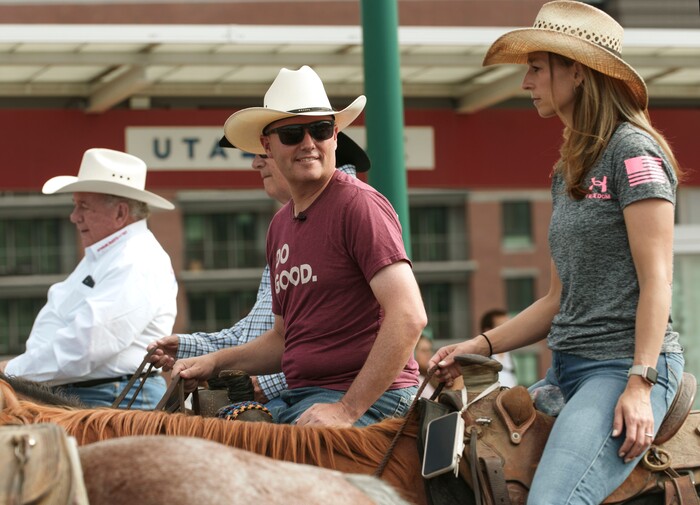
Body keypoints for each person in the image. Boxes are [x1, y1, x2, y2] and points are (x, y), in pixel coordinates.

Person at [429, 2, 685, 503]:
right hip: (564, 368)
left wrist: (639, 384)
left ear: (578, 72)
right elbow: (555, 300)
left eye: (536, 68)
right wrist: (476, 347)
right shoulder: (566, 167)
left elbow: (658, 280)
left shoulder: (634, 153)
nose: (526, 82)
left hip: (620, 368)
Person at [172, 65, 427, 427]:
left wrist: (346, 410)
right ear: (267, 145)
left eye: (320, 130)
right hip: (304, 396)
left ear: (336, 136)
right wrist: (216, 362)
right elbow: (282, 339)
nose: (309, 143)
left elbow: (409, 317)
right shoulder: (280, 225)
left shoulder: (358, 205)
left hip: (369, 398)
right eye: (292, 134)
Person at [147, 131, 371, 405]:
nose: (256, 163)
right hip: (306, 396)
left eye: (265, 152)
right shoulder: (286, 225)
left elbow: (345, 336)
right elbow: (255, 337)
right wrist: (188, 348)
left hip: (329, 398)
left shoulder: (351, 208)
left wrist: (265, 383)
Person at [0, 148, 178, 409]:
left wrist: (11, 370)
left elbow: (89, 344)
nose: (74, 216)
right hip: (103, 395)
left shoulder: (135, 258)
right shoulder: (115, 254)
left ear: (120, 213)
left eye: (83, 206)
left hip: (109, 400)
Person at [479, 309, 518, 388]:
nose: (508, 330)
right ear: (487, 330)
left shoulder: (510, 355)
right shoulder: (480, 359)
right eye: (502, 327)